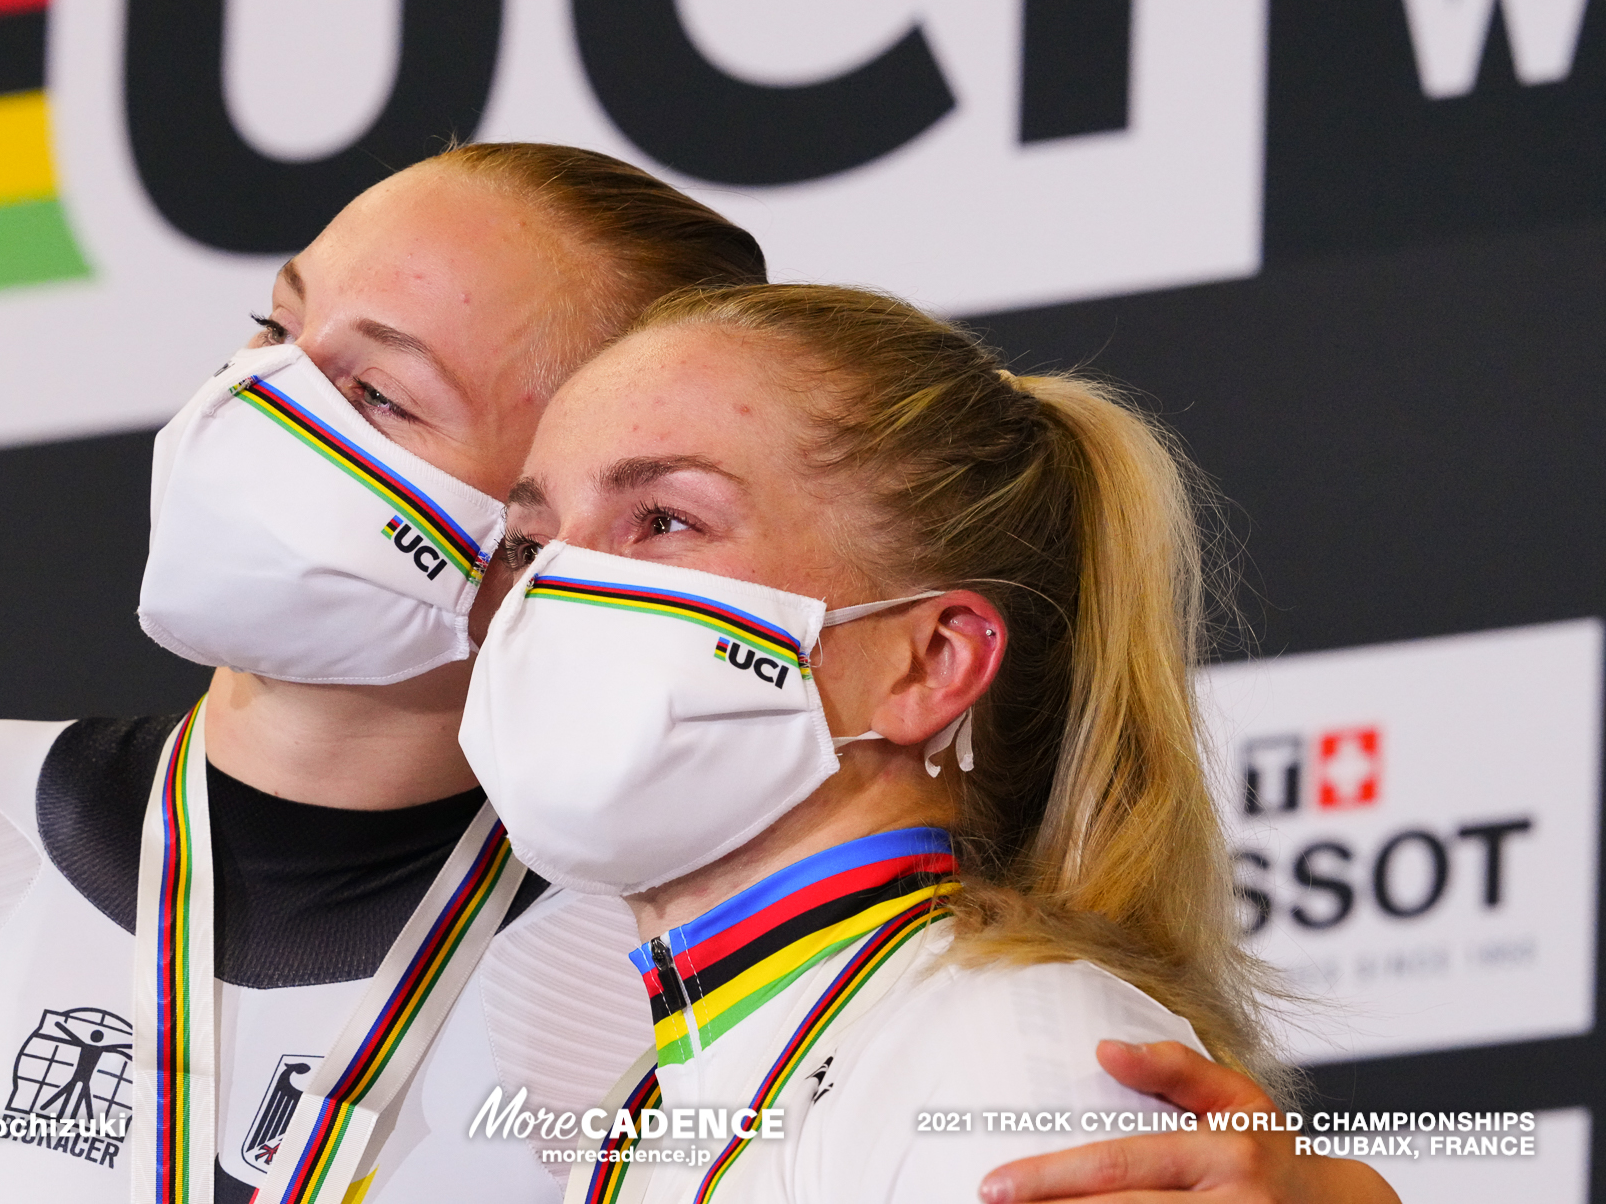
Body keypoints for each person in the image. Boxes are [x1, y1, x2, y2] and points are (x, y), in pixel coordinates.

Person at [0, 147, 1393, 1204]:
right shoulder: (704, 1047)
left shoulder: (753, 1020)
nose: (268, 409)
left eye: (385, 394)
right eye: (278, 332)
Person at [462, 283, 1403, 1202]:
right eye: (532, 542)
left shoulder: (1006, 1051)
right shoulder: (692, 1096)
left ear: (931, 664)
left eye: (665, 521)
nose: (553, 593)